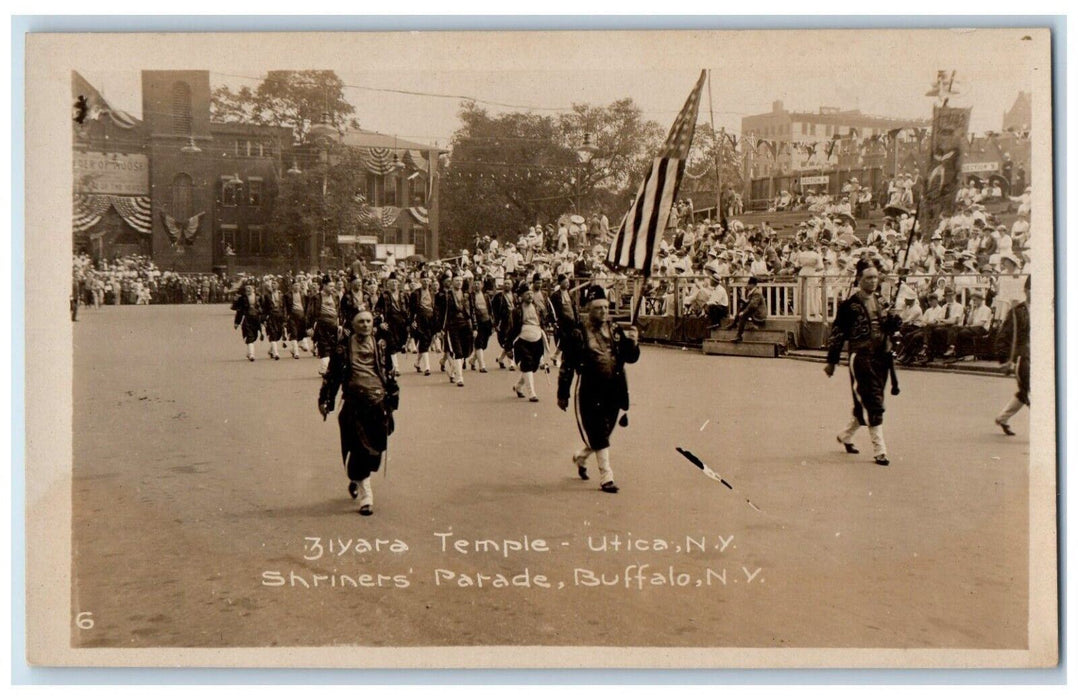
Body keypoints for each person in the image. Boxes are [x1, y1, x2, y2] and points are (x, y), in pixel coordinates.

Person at [557, 284, 640, 493]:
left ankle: (581, 457)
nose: (603, 312)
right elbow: (567, 364)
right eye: (598, 308)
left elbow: (630, 358)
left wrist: (633, 342)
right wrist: (563, 393)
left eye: (605, 307)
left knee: (604, 432)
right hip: (590, 389)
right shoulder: (579, 333)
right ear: (588, 309)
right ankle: (606, 477)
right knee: (599, 432)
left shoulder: (615, 330)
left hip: (614, 388)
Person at [318, 310, 400, 516]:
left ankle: (356, 477)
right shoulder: (343, 348)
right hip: (354, 403)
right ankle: (366, 496)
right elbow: (333, 375)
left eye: (368, 321)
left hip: (378, 402)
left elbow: (388, 372)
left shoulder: (380, 345)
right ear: (352, 325)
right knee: (359, 448)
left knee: (376, 451)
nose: (364, 325)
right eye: (360, 321)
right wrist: (325, 399)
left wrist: (393, 395)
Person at [825, 259, 900, 466]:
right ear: (859, 279)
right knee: (873, 401)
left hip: (881, 358)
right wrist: (832, 361)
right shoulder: (849, 306)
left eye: (875, 277)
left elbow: (892, 328)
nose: (873, 281)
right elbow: (838, 335)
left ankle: (846, 436)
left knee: (867, 401)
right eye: (868, 277)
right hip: (861, 357)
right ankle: (880, 450)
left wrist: (894, 320)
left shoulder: (883, 302)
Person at [994, 276, 1031, 436]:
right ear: (1025, 291)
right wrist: (1004, 359)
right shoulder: (1017, 312)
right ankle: (1045, 428)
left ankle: (1002, 418)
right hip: (1022, 357)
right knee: (1032, 391)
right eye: (1031, 289)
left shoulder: (1048, 308)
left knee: (1025, 391)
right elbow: (1003, 336)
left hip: (1042, 357)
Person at [509, 282, 547, 402]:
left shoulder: (537, 308)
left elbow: (543, 323)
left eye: (531, 293)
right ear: (521, 296)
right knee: (527, 362)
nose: (530, 296)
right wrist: (508, 345)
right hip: (523, 339)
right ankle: (532, 393)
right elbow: (513, 329)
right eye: (527, 294)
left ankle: (518, 387)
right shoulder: (517, 311)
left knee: (533, 365)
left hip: (537, 337)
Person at [440, 274, 474, 387]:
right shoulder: (446, 295)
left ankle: (452, 371)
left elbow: (471, 311)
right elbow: (442, 313)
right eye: (456, 280)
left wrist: (474, 326)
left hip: (465, 325)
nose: (459, 282)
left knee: (466, 351)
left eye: (460, 280)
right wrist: (441, 328)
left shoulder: (466, 295)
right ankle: (460, 378)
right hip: (452, 326)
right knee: (457, 352)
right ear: (452, 282)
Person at [306, 276, 340, 376]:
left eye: (333, 286)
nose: (333, 288)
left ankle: (327, 368)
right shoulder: (316, 298)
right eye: (330, 286)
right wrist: (309, 327)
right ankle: (325, 368)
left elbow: (339, 311)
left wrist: (340, 324)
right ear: (324, 286)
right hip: (321, 325)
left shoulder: (335, 296)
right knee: (324, 346)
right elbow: (309, 313)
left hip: (334, 325)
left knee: (334, 347)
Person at [231, 282, 263, 362]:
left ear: (253, 289)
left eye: (250, 288)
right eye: (246, 288)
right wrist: (237, 322)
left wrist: (264, 320)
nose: (248, 289)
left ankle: (249, 352)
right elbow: (239, 310)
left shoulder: (259, 297)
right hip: (247, 319)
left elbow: (263, 309)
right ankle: (252, 354)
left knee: (255, 336)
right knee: (249, 336)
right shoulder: (242, 298)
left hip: (256, 319)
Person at [730, 277, 768, 342]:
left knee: (743, 315)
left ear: (752, 285)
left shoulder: (757, 293)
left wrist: (744, 312)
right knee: (742, 307)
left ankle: (739, 336)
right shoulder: (753, 292)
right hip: (755, 311)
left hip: (759, 314)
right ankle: (734, 323)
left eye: (748, 284)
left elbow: (753, 305)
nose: (747, 285)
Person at [260, 278, 286, 360]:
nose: (273, 285)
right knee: (272, 333)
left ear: (278, 285)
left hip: (280, 316)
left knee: (278, 334)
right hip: (271, 316)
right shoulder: (266, 296)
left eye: (275, 283)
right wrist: (263, 319)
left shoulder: (282, 295)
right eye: (272, 284)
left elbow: (284, 307)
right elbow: (264, 308)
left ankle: (271, 350)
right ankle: (276, 353)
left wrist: (285, 317)